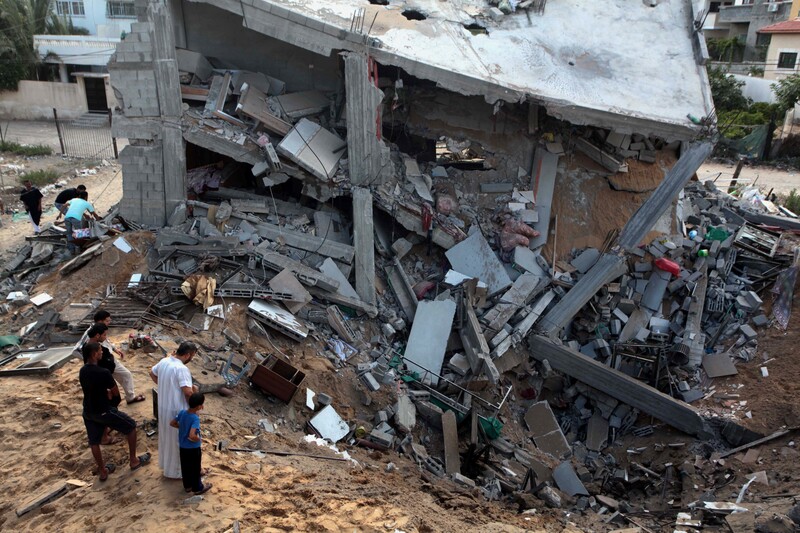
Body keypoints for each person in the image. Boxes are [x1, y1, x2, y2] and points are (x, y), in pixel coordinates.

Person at [79, 341, 151, 481]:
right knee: (131, 426)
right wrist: (111, 400)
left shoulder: (83, 370)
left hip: (88, 410)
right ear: (94, 354)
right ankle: (133, 460)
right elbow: (116, 394)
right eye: (100, 350)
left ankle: (103, 471)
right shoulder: (104, 372)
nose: (101, 352)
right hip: (103, 410)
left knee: (94, 441)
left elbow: (91, 388)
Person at [150, 342, 199, 479]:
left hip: (164, 406)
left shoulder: (164, 361)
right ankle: (179, 472)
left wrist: (165, 386)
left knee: (167, 438)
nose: (191, 359)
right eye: (192, 356)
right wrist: (194, 409)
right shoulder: (181, 369)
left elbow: (152, 373)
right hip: (177, 409)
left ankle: (168, 467)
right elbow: (188, 392)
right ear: (187, 354)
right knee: (180, 441)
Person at [85, 320, 145, 405]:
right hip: (104, 371)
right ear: (97, 335)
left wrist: (115, 350)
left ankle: (129, 398)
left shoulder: (96, 342)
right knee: (112, 394)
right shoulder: (93, 348)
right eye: (104, 335)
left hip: (109, 366)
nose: (106, 337)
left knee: (126, 376)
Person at [170, 393, 212, 495]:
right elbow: (192, 435)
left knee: (186, 466)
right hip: (193, 448)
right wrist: (198, 439)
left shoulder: (182, 413)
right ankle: (198, 488)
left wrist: (182, 428)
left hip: (183, 447)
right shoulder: (195, 418)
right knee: (195, 467)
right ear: (199, 406)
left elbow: (172, 423)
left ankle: (187, 486)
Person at [57, 190, 101, 255]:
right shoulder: (87, 203)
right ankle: (78, 249)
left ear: (79, 196)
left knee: (69, 233)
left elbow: (64, 205)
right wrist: (99, 221)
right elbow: (94, 214)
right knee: (78, 234)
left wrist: (60, 214)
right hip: (76, 219)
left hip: (67, 217)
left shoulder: (74, 200)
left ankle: (72, 250)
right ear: (86, 197)